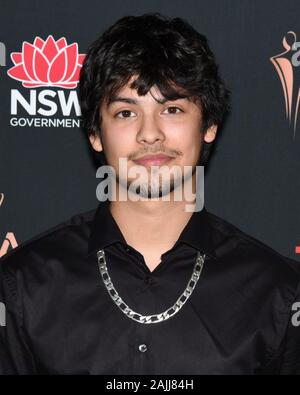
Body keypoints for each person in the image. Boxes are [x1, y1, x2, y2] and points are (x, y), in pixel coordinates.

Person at [1, 13, 300, 375]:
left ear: (209, 125)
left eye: (171, 109)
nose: (150, 134)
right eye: (126, 112)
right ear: (95, 134)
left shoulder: (278, 291)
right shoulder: (23, 285)